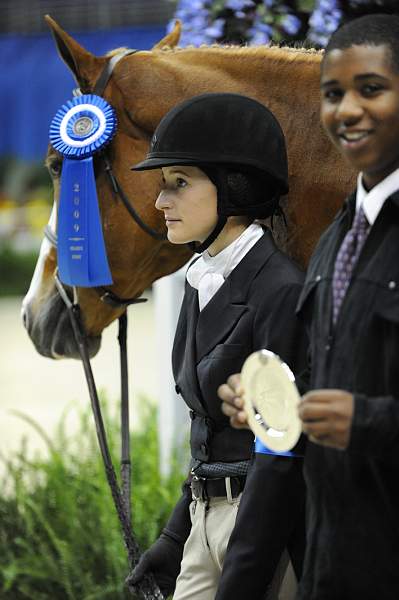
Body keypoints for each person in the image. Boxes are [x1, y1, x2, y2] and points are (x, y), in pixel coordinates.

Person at [219, 11, 399, 600]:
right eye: (332, 94)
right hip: (336, 558)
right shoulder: (335, 239)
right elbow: (339, 380)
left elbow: (365, 411)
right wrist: (279, 407)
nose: (347, 110)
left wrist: (368, 422)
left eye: (371, 89)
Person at [127, 92, 307, 600]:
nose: (162, 202)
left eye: (178, 184)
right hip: (204, 522)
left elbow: (282, 453)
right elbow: (208, 433)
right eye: (163, 186)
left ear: (235, 187)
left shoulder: (281, 291)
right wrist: (173, 536)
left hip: (262, 532)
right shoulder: (199, 281)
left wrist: (247, 569)